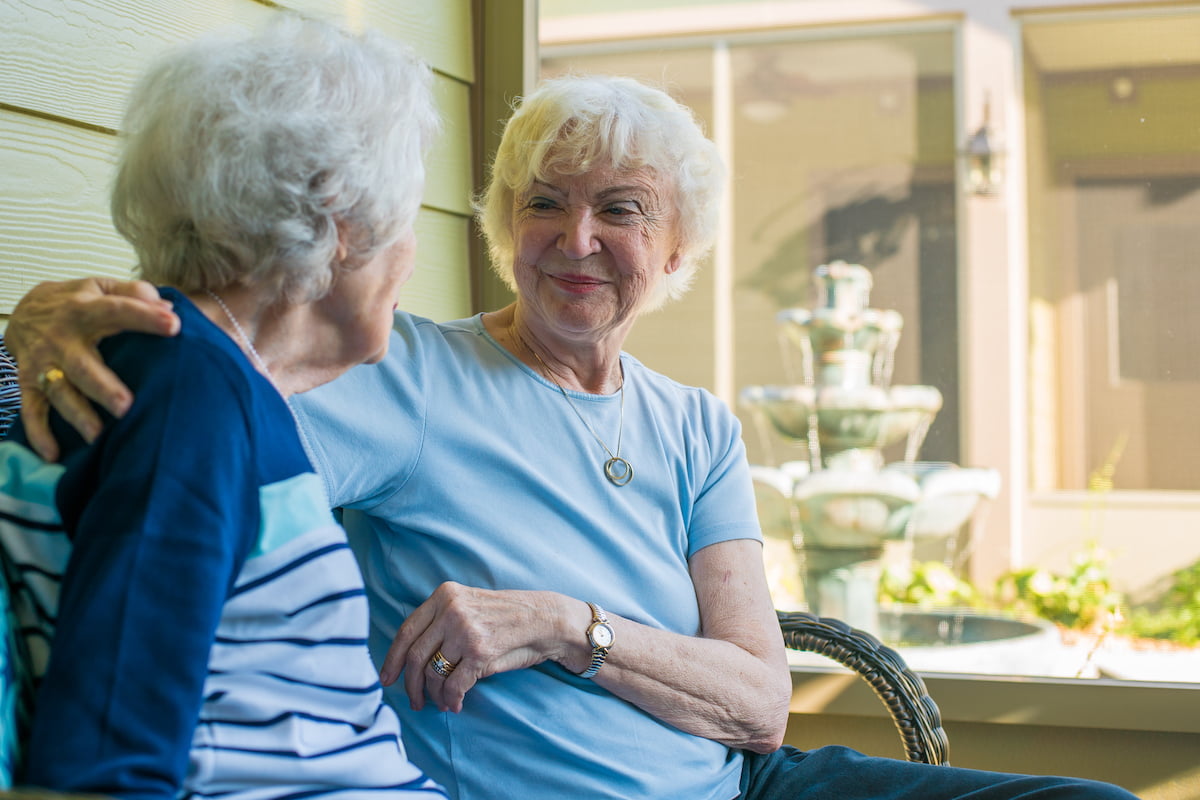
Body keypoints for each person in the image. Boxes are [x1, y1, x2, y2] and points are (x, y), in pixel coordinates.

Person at [4, 75, 1139, 800]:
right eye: (544, 203)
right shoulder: (401, 372)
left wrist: (565, 623)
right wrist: (43, 324)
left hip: (745, 782)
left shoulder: (695, 423)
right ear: (503, 227)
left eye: (621, 209)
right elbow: (209, 384)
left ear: (676, 243)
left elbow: (757, 701)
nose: (576, 239)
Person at [0, 14, 447, 800]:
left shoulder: (209, 380)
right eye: (408, 217)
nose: (412, 252)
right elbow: (106, 758)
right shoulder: (187, 395)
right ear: (344, 223)